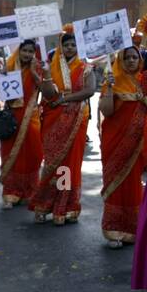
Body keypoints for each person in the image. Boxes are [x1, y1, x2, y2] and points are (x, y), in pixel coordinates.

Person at [30, 27, 95, 225]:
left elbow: (90, 90)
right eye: (66, 45)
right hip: (53, 119)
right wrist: (45, 74)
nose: (69, 48)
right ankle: (45, 203)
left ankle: (64, 206)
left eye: (73, 45)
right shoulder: (51, 66)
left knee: (68, 165)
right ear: (60, 46)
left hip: (76, 121)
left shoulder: (86, 68)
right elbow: (48, 94)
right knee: (53, 163)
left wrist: (65, 99)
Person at [99, 41, 147, 247]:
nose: (131, 61)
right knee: (115, 182)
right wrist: (108, 89)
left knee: (134, 182)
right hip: (114, 141)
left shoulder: (146, 79)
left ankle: (134, 229)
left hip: (139, 143)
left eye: (134, 57)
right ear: (120, 60)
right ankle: (113, 229)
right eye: (127, 57)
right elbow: (106, 112)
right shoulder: (112, 80)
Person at [0, 40, 48, 209]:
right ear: (19, 51)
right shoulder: (10, 66)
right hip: (13, 116)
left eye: (30, 51)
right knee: (11, 153)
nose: (27, 54)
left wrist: (34, 72)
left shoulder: (39, 67)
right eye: (24, 51)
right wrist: (3, 75)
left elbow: (45, 89)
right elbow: (3, 95)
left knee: (33, 154)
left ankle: (30, 191)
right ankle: (11, 193)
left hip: (31, 116)